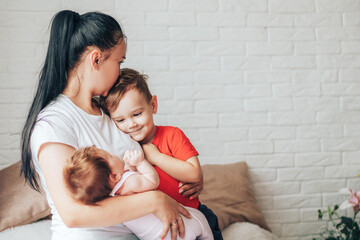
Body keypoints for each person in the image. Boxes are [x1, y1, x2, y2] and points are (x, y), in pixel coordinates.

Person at [20, 10, 204, 240]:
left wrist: (189, 179)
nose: (119, 71)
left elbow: (143, 163)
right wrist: (155, 200)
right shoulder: (55, 123)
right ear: (95, 59)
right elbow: (73, 213)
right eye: (119, 61)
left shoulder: (112, 114)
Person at [98, 68, 223, 239]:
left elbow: (194, 173)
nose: (131, 124)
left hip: (193, 214)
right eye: (121, 120)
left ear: (153, 105)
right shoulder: (124, 149)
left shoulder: (172, 134)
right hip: (161, 223)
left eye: (137, 114)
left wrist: (156, 156)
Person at [63, 146, 213, 240]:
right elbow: (151, 181)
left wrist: (128, 165)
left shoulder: (113, 197)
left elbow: (131, 182)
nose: (113, 155)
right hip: (180, 228)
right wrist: (140, 162)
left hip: (157, 235)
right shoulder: (130, 182)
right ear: (115, 176)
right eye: (109, 156)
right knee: (201, 219)